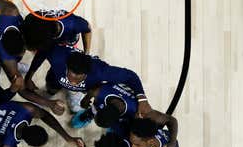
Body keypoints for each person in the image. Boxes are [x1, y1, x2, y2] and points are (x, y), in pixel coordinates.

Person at [24, 46, 153, 114]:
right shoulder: (58, 56)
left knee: (79, 92)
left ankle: (73, 95)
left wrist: (142, 98)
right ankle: (48, 94)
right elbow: (42, 52)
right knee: (51, 87)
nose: (73, 81)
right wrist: (29, 76)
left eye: (78, 77)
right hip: (56, 77)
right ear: (66, 66)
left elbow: (130, 76)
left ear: (87, 72)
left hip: (86, 89)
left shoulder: (100, 71)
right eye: (71, 75)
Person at [70, 82, 137, 132]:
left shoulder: (135, 111)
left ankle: (113, 129)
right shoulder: (100, 92)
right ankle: (90, 112)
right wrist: (85, 100)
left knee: (117, 131)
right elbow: (91, 92)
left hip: (123, 117)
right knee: (75, 123)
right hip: (110, 91)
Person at [22, 11, 92, 53]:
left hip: (69, 39)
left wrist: (86, 52)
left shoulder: (73, 25)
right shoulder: (35, 16)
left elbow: (88, 28)